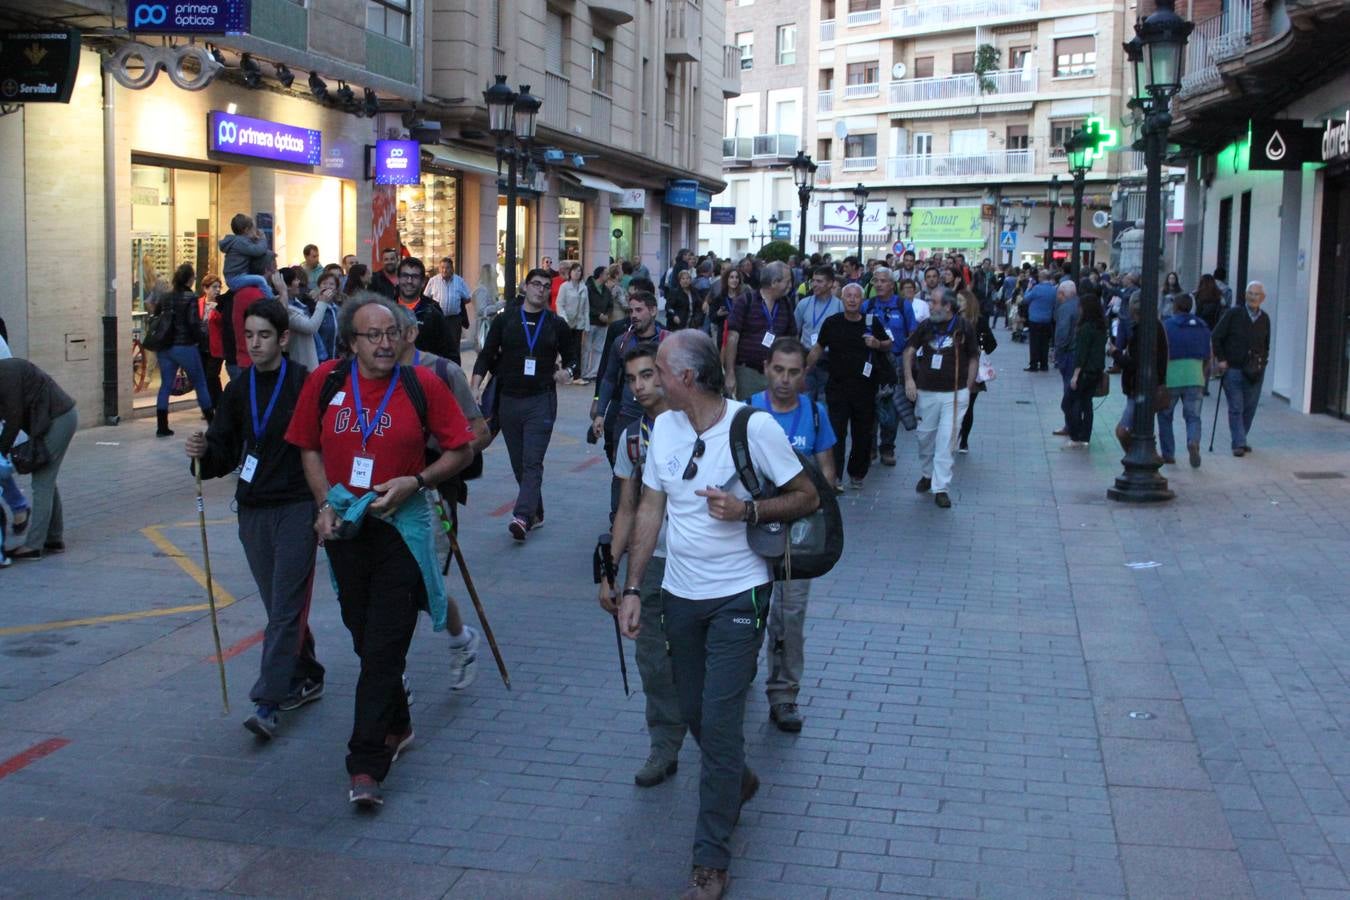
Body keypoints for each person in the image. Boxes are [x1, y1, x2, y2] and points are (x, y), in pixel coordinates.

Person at [618, 330, 818, 900]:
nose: (648, 380)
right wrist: (634, 587)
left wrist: (748, 508)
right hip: (679, 595)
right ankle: (738, 781)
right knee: (691, 709)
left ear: (686, 377)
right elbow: (651, 508)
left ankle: (710, 861)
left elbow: (806, 494)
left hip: (740, 595)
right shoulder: (665, 430)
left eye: (657, 369)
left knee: (721, 721)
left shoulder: (752, 427)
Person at [284, 295, 476, 807]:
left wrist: (418, 480)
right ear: (350, 342)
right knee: (364, 635)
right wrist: (324, 502)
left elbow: (463, 446)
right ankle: (400, 723)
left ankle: (366, 764)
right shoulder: (324, 381)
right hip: (347, 525)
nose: (387, 342)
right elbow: (307, 445)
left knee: (385, 645)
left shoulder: (423, 383)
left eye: (393, 332)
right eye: (374, 334)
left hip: (403, 530)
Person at [185, 298, 326, 738]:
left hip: (297, 508)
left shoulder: (306, 383)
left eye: (264, 335)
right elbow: (225, 449)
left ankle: (268, 702)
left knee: (285, 608)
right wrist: (203, 452)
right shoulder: (238, 388)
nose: (255, 343)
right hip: (253, 511)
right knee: (277, 606)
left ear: (284, 339)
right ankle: (307, 671)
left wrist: (328, 505)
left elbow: (324, 447)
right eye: (248, 336)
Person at [600, 342, 690, 787]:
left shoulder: (699, 424)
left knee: (704, 660)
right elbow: (627, 509)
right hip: (653, 562)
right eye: (632, 378)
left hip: (704, 565)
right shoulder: (632, 438)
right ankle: (664, 744)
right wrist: (610, 570)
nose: (639, 386)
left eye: (647, 375)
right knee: (653, 659)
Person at [748, 337, 836, 732]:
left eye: (794, 372)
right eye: (778, 370)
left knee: (790, 616)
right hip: (749, 533)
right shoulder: (747, 410)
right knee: (745, 613)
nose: (784, 380)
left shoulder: (815, 415)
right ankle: (738, 675)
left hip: (797, 537)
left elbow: (827, 474)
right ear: (766, 368)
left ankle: (783, 695)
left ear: (805, 374)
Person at [472, 268, 577, 541]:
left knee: (532, 462)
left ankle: (521, 516)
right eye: (536, 285)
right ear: (525, 287)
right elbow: (485, 355)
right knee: (519, 463)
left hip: (541, 401)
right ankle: (536, 511)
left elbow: (572, 358)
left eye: (545, 286)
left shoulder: (556, 324)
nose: (541, 290)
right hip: (508, 400)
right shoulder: (505, 320)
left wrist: (568, 372)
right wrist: (475, 387)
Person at [807, 283, 891, 491]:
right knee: (836, 433)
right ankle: (835, 476)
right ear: (842, 300)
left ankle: (857, 473)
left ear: (862, 300)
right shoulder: (832, 323)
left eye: (856, 296)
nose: (852, 300)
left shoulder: (871, 323)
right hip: (837, 387)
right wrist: (804, 369)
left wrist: (877, 344)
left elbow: (889, 343)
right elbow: (818, 347)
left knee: (863, 433)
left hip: (865, 388)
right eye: (848, 296)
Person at [903, 287, 979, 509]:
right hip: (926, 392)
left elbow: (974, 356)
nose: (930, 305)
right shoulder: (926, 326)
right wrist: (909, 379)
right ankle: (927, 473)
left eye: (934, 302)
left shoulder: (963, 327)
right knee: (924, 438)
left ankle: (941, 487)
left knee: (947, 440)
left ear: (947, 306)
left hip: (954, 394)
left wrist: (968, 385)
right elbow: (909, 350)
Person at [0, 357, 77, 560]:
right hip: (53, 420)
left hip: (58, 420)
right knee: (47, 479)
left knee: (41, 482)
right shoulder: (7, 372)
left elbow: (13, 418)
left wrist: (0, 452)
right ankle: (53, 538)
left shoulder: (8, 373)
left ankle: (34, 545)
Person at [593, 292, 667, 472]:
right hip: (627, 415)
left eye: (639, 310)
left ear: (653, 311)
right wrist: (600, 413)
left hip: (661, 417)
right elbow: (609, 379)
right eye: (631, 310)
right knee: (622, 476)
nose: (633, 315)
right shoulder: (622, 342)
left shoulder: (668, 341)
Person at [150, 263, 215, 437]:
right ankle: (212, 423)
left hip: (165, 348)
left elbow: (156, 315)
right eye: (193, 277)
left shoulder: (165, 297)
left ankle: (162, 426)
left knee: (165, 385)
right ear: (189, 279)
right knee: (200, 382)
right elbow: (193, 322)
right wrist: (202, 339)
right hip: (185, 346)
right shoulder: (190, 297)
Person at [862, 267, 916, 467]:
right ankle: (870, 448)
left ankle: (887, 447)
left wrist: (908, 365)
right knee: (869, 406)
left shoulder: (903, 306)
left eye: (883, 281)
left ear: (892, 284)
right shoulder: (867, 305)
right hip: (872, 361)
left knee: (891, 407)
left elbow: (913, 335)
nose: (878, 284)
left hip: (895, 362)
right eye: (875, 281)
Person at [722, 260, 797, 401]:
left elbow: (791, 338)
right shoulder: (745, 301)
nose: (790, 286)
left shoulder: (786, 304)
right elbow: (732, 338)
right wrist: (730, 374)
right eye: (787, 282)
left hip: (776, 375)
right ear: (774, 282)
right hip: (748, 374)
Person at [1211, 281, 1270, 457]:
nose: (1253, 297)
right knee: (1236, 406)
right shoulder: (1234, 314)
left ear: (1263, 298)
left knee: (1249, 407)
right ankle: (1238, 442)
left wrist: (1263, 360)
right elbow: (1216, 336)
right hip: (1233, 369)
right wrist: (1221, 360)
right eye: (1250, 293)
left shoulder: (1264, 318)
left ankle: (1241, 436)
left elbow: (1267, 343)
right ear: (1245, 295)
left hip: (1255, 370)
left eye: (1257, 294)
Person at [1109, 294, 1170, 452]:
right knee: (1139, 429)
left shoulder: (1144, 330)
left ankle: (1139, 457)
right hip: (1148, 385)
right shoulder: (1156, 327)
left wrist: (1115, 353)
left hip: (1140, 388)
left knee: (1123, 431)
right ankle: (1144, 454)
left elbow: (1135, 363)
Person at [1159, 293, 1212, 467]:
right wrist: (1203, 375)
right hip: (1195, 374)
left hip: (1172, 375)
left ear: (1175, 306)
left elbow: (1161, 352)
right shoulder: (1202, 326)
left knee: (1165, 416)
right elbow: (1208, 355)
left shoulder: (1167, 326)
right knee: (1193, 416)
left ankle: (1168, 454)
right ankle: (1193, 441)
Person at [956, 289, 998, 453]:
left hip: (973, 369)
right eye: (957, 300)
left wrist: (981, 350)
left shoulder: (978, 321)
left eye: (961, 301)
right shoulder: (953, 320)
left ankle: (963, 440)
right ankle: (955, 436)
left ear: (969, 303)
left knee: (968, 405)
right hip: (954, 366)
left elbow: (992, 343)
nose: (958, 304)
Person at [1064, 294, 1107, 449]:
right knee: (1086, 404)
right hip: (1096, 370)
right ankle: (1085, 436)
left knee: (1068, 403)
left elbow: (1082, 354)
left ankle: (1076, 435)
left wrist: (1075, 375)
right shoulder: (1101, 326)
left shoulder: (1086, 328)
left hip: (1085, 372)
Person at [793, 266, 843, 400]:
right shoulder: (804, 304)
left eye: (819, 281)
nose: (814, 284)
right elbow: (794, 332)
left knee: (825, 402)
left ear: (830, 283)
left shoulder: (839, 306)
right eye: (813, 281)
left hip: (828, 361)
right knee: (805, 400)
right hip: (806, 358)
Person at [394, 257, 455, 362]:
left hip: (424, 375)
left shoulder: (432, 312)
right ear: (398, 279)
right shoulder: (386, 309)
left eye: (415, 277)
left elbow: (450, 354)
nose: (409, 281)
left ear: (423, 282)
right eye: (405, 276)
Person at [283, 267, 337, 372]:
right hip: (303, 363)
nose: (299, 282)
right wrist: (322, 302)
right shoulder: (286, 308)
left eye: (332, 284)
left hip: (318, 357)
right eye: (295, 279)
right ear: (288, 286)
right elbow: (311, 327)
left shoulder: (300, 302)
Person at [422, 257, 472, 364]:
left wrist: (458, 302)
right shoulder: (433, 281)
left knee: (454, 346)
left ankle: (454, 368)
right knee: (437, 344)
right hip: (437, 318)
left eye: (447, 268)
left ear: (452, 269)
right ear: (439, 269)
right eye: (442, 268)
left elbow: (468, 298)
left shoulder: (459, 281)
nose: (444, 270)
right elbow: (425, 298)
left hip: (454, 320)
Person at [1051, 281, 1081, 438]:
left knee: (1068, 390)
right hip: (1080, 353)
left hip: (1069, 354)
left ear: (1062, 294)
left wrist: (1057, 351)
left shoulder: (1065, 308)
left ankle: (1070, 426)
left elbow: (1062, 332)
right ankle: (1075, 425)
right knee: (1076, 392)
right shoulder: (1080, 304)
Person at [555, 262, 590, 382]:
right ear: (570, 273)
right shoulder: (564, 286)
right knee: (567, 349)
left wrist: (587, 324)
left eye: (579, 271)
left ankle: (577, 375)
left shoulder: (584, 287)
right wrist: (563, 318)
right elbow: (559, 304)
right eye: (575, 271)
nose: (577, 273)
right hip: (566, 322)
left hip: (578, 322)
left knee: (577, 349)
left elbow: (586, 307)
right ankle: (566, 373)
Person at [219, 213, 274, 288]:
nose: (256, 231)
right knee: (260, 280)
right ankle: (270, 297)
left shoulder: (238, 241)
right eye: (254, 229)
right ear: (246, 230)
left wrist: (255, 240)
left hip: (234, 277)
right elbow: (258, 251)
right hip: (236, 278)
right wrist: (262, 238)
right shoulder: (240, 242)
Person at [197, 275, 225, 408]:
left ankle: (219, 405)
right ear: (205, 288)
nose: (217, 290)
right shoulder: (199, 303)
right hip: (201, 346)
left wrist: (217, 310)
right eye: (214, 287)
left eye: (219, 287)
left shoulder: (222, 305)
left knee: (212, 376)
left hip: (216, 346)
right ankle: (208, 405)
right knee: (204, 377)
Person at [1023, 268, 1056, 371]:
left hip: (1035, 319)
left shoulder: (1037, 288)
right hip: (1047, 319)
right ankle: (1044, 364)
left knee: (1034, 343)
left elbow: (1026, 299)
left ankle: (1034, 364)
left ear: (1041, 278)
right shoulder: (1053, 289)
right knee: (1044, 343)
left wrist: (1028, 288)